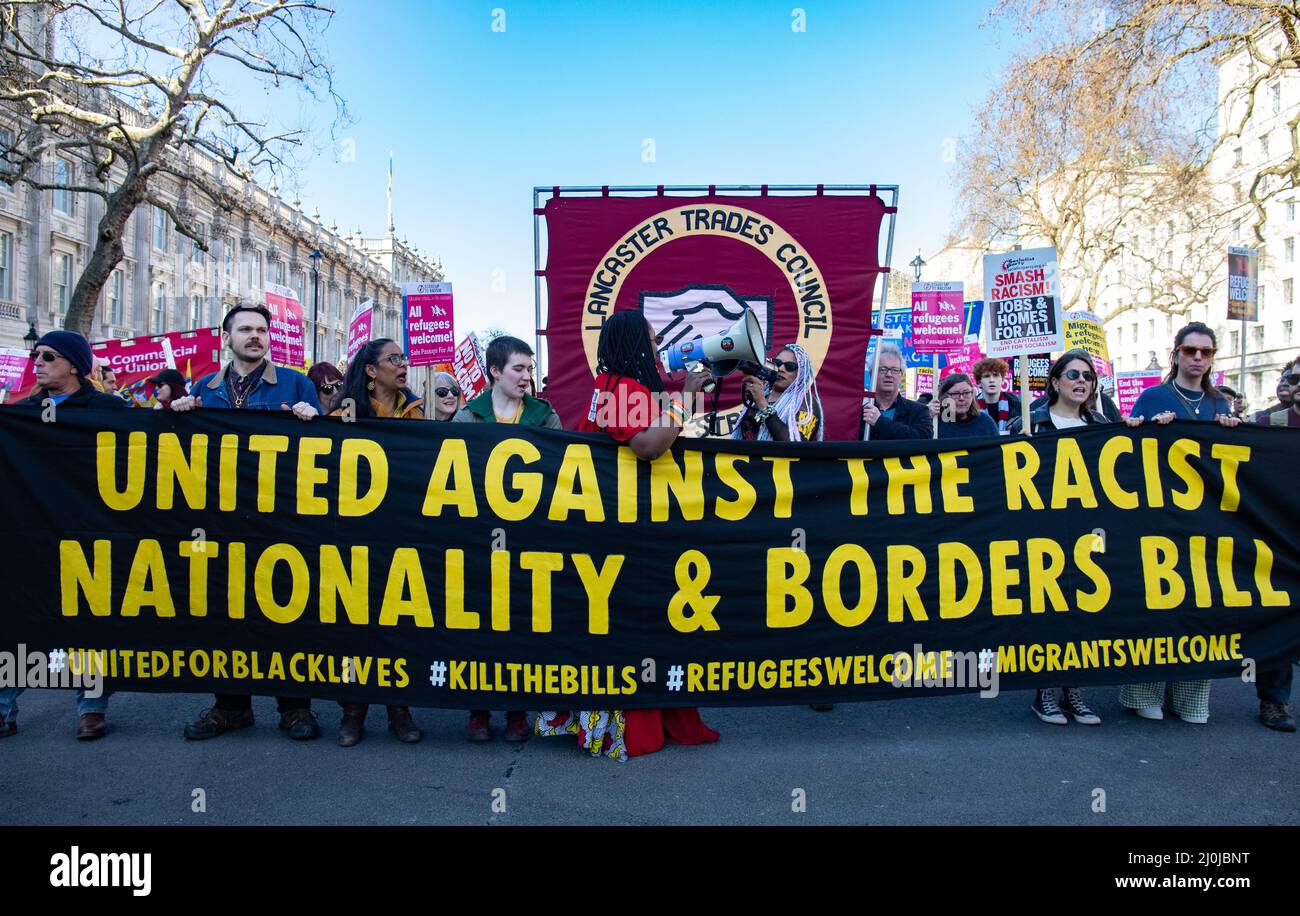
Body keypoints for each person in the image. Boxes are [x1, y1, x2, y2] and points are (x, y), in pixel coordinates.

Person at [535, 310, 719, 759]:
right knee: (635, 627)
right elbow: (648, 446)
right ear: (635, 344)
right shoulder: (624, 388)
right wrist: (686, 398)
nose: (657, 349)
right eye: (652, 341)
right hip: (622, 529)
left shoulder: (612, 387)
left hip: (613, 527)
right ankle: (628, 728)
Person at [171, 303, 325, 741]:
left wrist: (315, 423)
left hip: (280, 522)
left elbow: (326, 450)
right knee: (225, 614)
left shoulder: (296, 383)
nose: (255, 336)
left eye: (261, 329)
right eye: (245, 329)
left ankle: (294, 707)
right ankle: (231, 706)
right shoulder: (206, 386)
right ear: (227, 337)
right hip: (223, 523)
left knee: (286, 611)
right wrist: (182, 415)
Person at [1, 331, 127, 741]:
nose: (37, 362)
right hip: (34, 534)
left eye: (48, 356)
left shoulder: (108, 409)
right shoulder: (23, 412)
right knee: (20, 620)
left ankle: (91, 708)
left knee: (88, 622)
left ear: (74, 365)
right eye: (36, 355)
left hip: (90, 532)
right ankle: (5, 707)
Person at [1121, 322, 1240, 725]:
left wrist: (1234, 434)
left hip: (1207, 520)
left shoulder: (1220, 403)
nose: (1197, 358)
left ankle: (1190, 697)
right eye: (1190, 350)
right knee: (1157, 604)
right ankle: (1143, 692)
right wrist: (1145, 429)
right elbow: (1125, 454)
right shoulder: (1152, 397)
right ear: (1176, 354)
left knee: (1201, 606)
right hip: (1159, 517)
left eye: (1206, 352)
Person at [453, 336, 560, 741]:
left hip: (529, 536)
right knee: (478, 623)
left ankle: (517, 710)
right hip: (479, 537)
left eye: (530, 369)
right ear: (495, 372)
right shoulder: (468, 417)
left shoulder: (544, 415)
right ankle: (478, 710)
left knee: (521, 625)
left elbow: (561, 469)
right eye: (518, 369)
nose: (526, 376)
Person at [329, 339, 424, 746]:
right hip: (354, 536)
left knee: (399, 623)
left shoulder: (420, 411)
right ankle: (352, 712)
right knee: (356, 626)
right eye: (394, 359)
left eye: (404, 358)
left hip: (403, 535)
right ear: (370, 371)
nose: (403, 365)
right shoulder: (343, 413)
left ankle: (398, 709)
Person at [1008, 350, 1109, 727]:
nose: (1082, 381)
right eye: (1073, 375)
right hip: (1045, 533)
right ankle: (1046, 693)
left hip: (1090, 533)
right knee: (1051, 610)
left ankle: (1075, 692)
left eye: (1088, 376)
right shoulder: (1030, 422)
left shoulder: (1102, 423)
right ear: (1054, 383)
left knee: (1086, 611)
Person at [1255, 361, 1300, 731]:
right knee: (1277, 613)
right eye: (1294, 378)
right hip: (1280, 536)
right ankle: (1274, 702)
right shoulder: (1269, 425)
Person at [734, 343, 823, 442]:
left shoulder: (806, 403)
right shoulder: (762, 395)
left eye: (790, 366)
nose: (781, 369)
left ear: (801, 374)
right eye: (777, 363)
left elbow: (796, 446)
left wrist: (763, 405)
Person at [861, 342, 931, 440]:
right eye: (883, 369)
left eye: (894, 370)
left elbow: (923, 440)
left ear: (901, 375)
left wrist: (880, 422)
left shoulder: (919, 411)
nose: (889, 374)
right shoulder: (860, 411)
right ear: (871, 373)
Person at [930, 373, 999, 438]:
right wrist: (927, 418)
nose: (961, 398)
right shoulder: (934, 422)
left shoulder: (985, 422)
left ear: (972, 394)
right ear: (944, 396)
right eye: (955, 394)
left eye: (966, 393)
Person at [972, 358, 1022, 434]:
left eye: (995, 375)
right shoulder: (971, 406)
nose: (991, 380)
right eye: (986, 376)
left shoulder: (1015, 404)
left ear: (1002, 380)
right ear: (979, 382)